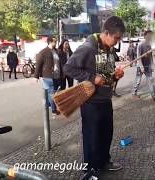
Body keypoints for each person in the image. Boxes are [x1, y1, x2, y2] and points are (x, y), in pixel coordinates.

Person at [63, 16, 125, 180]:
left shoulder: (110, 49)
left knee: (107, 133)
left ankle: (104, 161)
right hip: (90, 102)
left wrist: (117, 76)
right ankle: (90, 170)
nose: (117, 42)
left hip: (106, 99)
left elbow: (108, 75)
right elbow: (68, 68)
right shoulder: (88, 48)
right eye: (116, 38)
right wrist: (91, 77)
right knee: (92, 136)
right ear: (106, 32)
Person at [34, 37, 60, 115]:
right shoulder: (43, 52)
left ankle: (49, 105)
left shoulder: (56, 51)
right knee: (51, 92)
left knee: (52, 92)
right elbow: (38, 64)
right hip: (47, 75)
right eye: (55, 41)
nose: (56, 43)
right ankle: (53, 110)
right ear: (50, 42)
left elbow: (59, 63)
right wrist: (36, 76)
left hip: (56, 75)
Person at [132, 30, 155, 100]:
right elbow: (138, 57)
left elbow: (150, 57)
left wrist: (152, 65)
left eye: (151, 35)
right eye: (148, 35)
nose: (150, 37)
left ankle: (153, 95)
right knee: (138, 80)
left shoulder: (149, 45)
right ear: (145, 36)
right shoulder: (140, 45)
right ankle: (134, 94)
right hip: (140, 66)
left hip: (148, 66)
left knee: (150, 80)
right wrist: (141, 67)